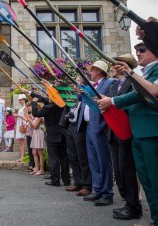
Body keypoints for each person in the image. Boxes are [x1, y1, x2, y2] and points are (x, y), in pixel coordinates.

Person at [98, 42, 158, 226]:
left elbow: (144, 94)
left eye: (142, 50)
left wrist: (113, 101)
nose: (138, 53)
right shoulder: (145, 73)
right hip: (138, 130)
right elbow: (135, 100)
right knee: (147, 181)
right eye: (136, 50)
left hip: (151, 130)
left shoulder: (152, 72)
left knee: (155, 180)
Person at [107, 54, 142, 220]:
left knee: (128, 169)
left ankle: (134, 205)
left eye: (115, 64)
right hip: (114, 132)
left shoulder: (134, 82)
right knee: (119, 170)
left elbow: (133, 102)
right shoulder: (113, 86)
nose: (112, 68)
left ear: (123, 65)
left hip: (127, 130)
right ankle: (127, 202)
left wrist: (113, 104)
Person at [78, 61, 114, 206]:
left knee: (103, 161)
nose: (90, 73)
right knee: (93, 160)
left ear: (99, 71)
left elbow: (107, 101)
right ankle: (98, 189)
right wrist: (81, 92)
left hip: (100, 126)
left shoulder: (110, 83)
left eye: (92, 70)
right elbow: (82, 101)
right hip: (89, 126)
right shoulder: (92, 84)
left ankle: (107, 192)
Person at [22, 87, 70, 187]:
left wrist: (34, 103)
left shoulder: (48, 108)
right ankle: (66, 180)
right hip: (62, 133)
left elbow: (36, 113)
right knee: (64, 157)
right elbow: (43, 99)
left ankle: (55, 180)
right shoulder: (62, 104)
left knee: (53, 158)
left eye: (49, 96)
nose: (47, 97)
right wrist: (30, 93)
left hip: (52, 134)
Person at [62, 77, 92, 196]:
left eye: (77, 82)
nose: (75, 84)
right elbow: (66, 98)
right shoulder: (74, 95)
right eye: (74, 82)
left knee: (82, 157)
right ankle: (78, 182)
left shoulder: (84, 95)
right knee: (72, 156)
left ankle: (87, 184)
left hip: (80, 128)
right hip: (70, 126)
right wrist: (60, 86)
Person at [14, 94, 28, 162]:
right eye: (19, 100)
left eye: (20, 100)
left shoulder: (25, 107)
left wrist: (18, 115)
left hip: (22, 124)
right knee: (19, 141)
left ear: (24, 100)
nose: (19, 101)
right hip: (19, 123)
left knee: (22, 140)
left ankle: (23, 156)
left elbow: (26, 117)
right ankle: (22, 156)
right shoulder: (22, 107)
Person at [25, 103, 34, 171]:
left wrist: (28, 117)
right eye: (27, 107)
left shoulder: (34, 114)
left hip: (33, 134)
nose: (28, 108)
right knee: (29, 150)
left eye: (29, 106)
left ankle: (33, 165)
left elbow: (33, 123)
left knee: (33, 150)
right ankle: (31, 164)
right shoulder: (29, 114)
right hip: (28, 133)